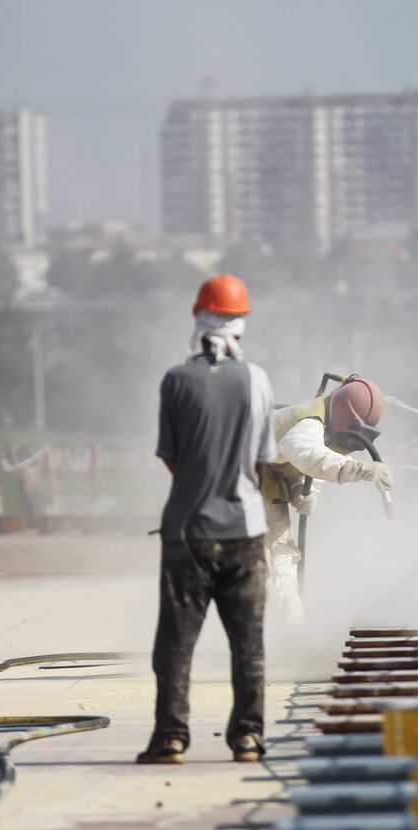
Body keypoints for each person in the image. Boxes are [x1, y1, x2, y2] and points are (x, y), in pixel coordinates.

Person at [138, 274, 275, 765]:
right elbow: (261, 460)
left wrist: (199, 481)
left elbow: (171, 457)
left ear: (198, 319)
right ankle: (248, 738)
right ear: (241, 324)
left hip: (186, 532)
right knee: (248, 643)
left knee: (175, 645)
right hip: (244, 529)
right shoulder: (257, 380)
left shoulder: (175, 380)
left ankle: (170, 738)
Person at [259, 375, 393, 626]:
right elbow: (312, 458)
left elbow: (308, 464)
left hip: (260, 482)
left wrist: (301, 491)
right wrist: (361, 469)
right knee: (266, 560)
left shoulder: (322, 424)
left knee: (281, 558)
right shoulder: (309, 423)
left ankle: (293, 632)